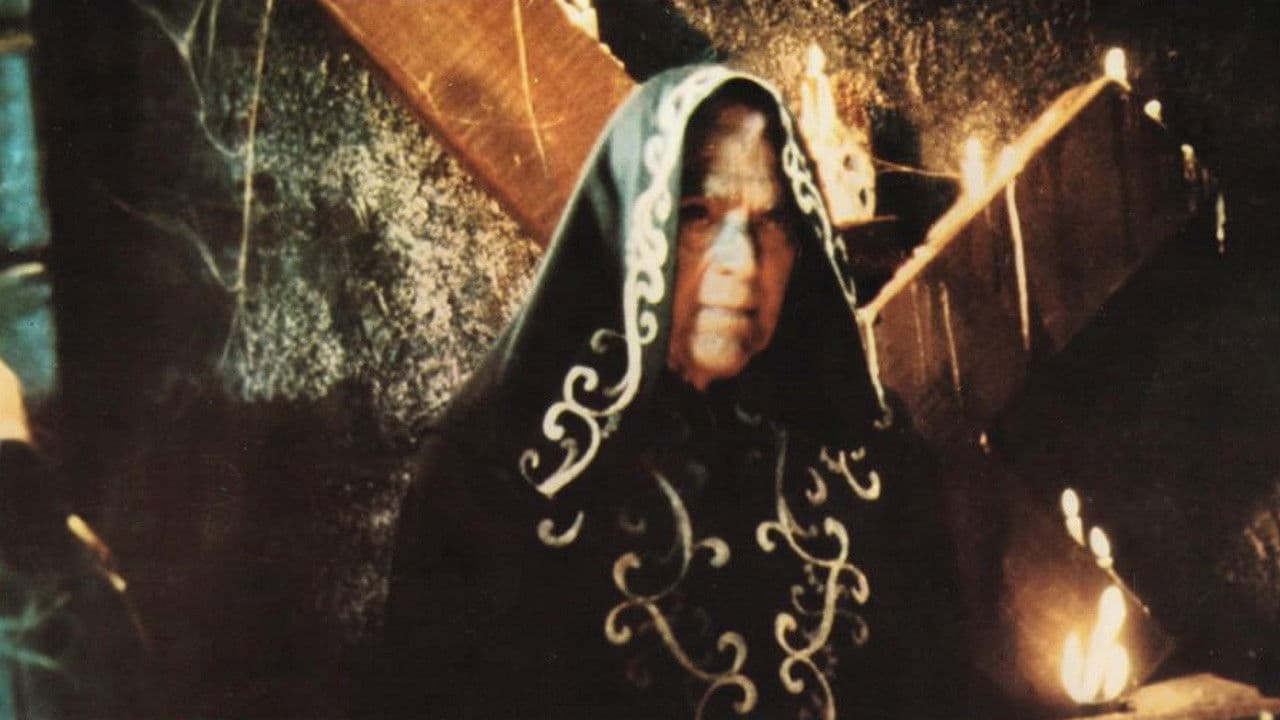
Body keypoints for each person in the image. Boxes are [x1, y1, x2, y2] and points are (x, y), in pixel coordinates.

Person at [373, 66, 966, 719]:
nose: (742, 261)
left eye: (772, 220)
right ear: (632, 227)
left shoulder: (874, 459)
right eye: (697, 216)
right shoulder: (497, 476)